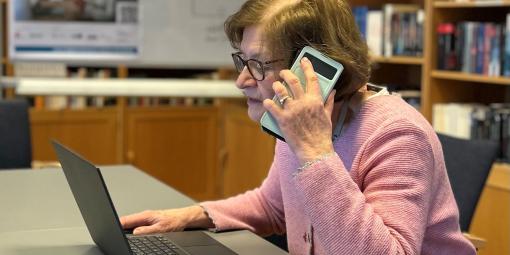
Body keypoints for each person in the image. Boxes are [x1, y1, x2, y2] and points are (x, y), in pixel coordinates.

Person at [120, 0, 476, 254]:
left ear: (317, 69)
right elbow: (273, 205)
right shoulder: (300, 120)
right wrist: (194, 215)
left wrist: (315, 151)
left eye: (258, 64)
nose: (242, 80)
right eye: (243, 61)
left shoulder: (397, 134)